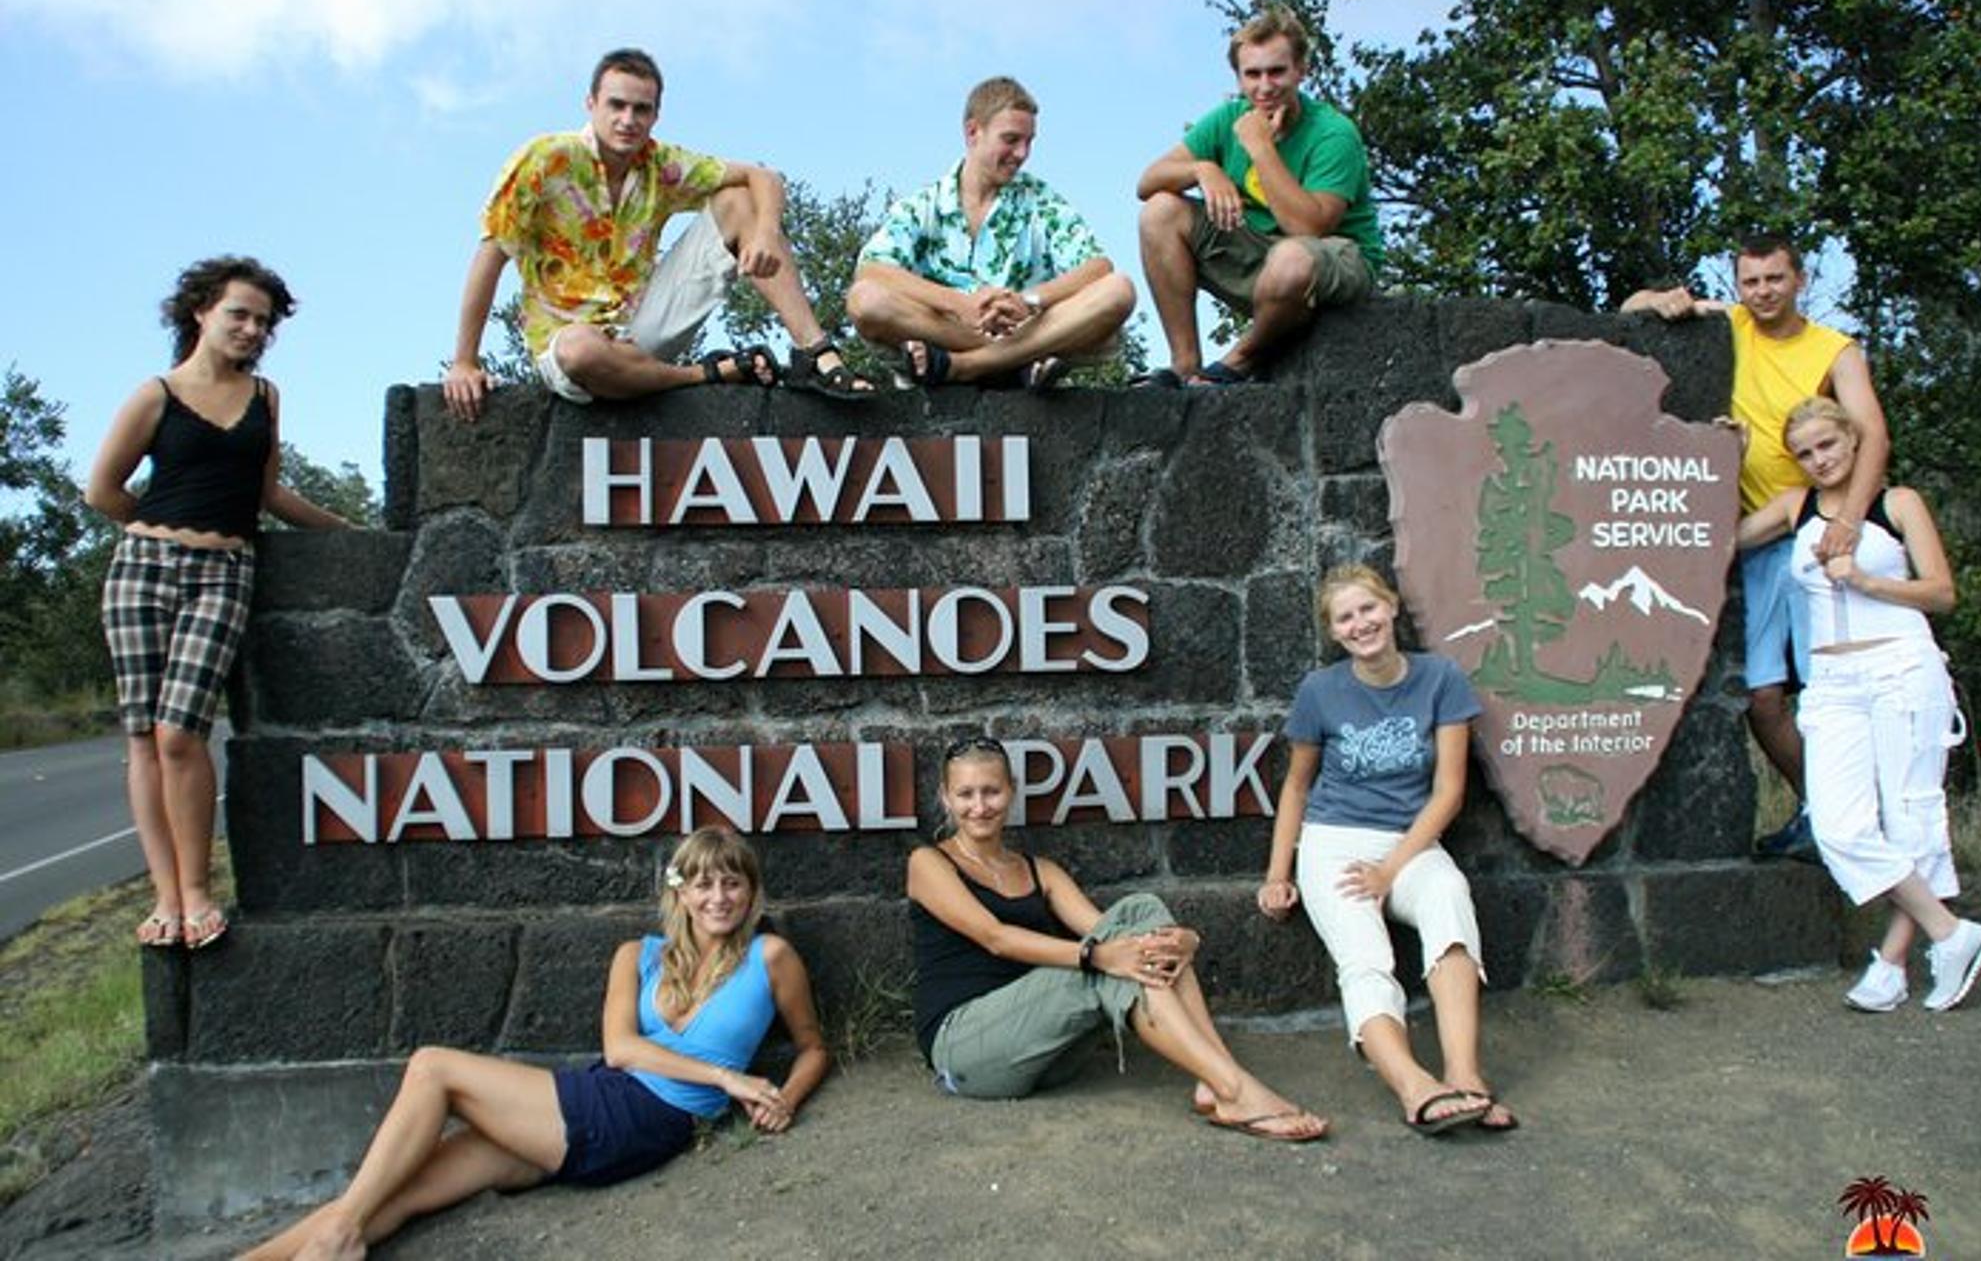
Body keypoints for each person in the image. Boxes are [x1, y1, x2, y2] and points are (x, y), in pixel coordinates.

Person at [244, 830, 828, 1260]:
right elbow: (620, 1048)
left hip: (645, 1119)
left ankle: (340, 1234)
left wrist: (784, 1098)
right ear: (681, 895)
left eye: (733, 883)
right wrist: (729, 1079)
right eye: (703, 883)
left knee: (432, 1068)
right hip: (599, 1097)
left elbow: (812, 1048)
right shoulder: (638, 955)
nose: (718, 897)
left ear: (751, 895)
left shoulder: (770, 959)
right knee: (396, 1193)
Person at [85, 256, 354, 952]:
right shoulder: (157, 394)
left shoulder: (264, 398)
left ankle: (200, 886)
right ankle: (167, 896)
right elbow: (103, 489)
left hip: (225, 568)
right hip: (143, 566)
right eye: (239, 313)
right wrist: (161, 526)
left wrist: (351, 535)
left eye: (263, 321)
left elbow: (270, 496)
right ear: (202, 311)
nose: (252, 328)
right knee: (143, 735)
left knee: (183, 730)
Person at [907, 739, 1327, 1141]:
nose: (979, 806)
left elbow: (1114, 932)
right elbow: (996, 938)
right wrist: (1098, 956)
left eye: (991, 791)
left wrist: (1187, 939)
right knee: (1104, 963)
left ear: (1011, 792)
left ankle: (1213, 1080)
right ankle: (1234, 1090)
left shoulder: (1039, 870)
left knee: (1140, 911)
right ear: (946, 797)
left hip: (1044, 1052)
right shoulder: (929, 863)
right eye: (966, 794)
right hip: (966, 1049)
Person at [1622, 235, 1890, 862]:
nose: (1763, 292)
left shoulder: (1835, 350)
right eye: (1751, 282)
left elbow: (1872, 432)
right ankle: (1821, 811)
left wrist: (1848, 519)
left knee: (1830, 693)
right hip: (1756, 539)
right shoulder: (1733, 324)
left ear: (1799, 279)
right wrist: (1662, 299)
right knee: (1762, 699)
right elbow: (1633, 309)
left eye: (1775, 279)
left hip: (1813, 528)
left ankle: (1854, 825)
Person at [442, 47, 875, 420]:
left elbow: (764, 176)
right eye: (616, 105)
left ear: (655, 115)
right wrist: (464, 361)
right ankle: (704, 375)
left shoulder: (660, 164)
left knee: (737, 197)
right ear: (590, 104)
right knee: (581, 350)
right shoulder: (546, 160)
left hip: (640, 327)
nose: (627, 120)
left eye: (641, 109)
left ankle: (816, 353)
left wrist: (763, 233)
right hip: (571, 343)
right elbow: (490, 256)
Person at [1737, 398, 1981, 1012]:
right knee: (1837, 826)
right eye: (1804, 453)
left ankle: (1892, 964)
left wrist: (1865, 579)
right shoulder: (1794, 507)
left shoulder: (1897, 503)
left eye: (1827, 446)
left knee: (1912, 820)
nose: (1818, 460)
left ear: (1854, 441)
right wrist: (1733, 455)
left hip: (1900, 666)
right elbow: (1718, 541)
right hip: (1831, 679)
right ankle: (1951, 933)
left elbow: (1941, 592)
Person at [1259, 565, 1517, 1136]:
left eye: (1368, 609)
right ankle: (1413, 1086)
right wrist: (1278, 873)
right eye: (1345, 617)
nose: (1361, 624)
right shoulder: (1320, 692)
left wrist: (1390, 869)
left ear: (1393, 607)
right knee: (1365, 955)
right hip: (1334, 844)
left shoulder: (1440, 680)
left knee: (1449, 897)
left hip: (1410, 839)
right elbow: (1297, 785)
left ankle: (1466, 1076)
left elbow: (1449, 792)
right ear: (1334, 632)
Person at [1135, 6, 1383, 386]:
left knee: (1291, 259)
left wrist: (1260, 146)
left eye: (1277, 71)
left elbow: (1308, 228)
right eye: (1252, 74)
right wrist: (1203, 170)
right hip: (1259, 258)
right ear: (1238, 78)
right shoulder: (1226, 118)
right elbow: (1147, 182)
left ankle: (1241, 360)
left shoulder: (1333, 133)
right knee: (1160, 212)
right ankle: (1184, 363)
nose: (1264, 87)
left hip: (1330, 260)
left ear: (1301, 70)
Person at [846, 76, 1135, 389]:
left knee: (1118, 290)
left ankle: (969, 365)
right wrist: (958, 304)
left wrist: (1029, 302)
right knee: (864, 299)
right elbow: (872, 269)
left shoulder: (1040, 199)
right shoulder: (925, 203)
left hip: (1015, 332)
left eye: (1029, 142)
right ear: (973, 132)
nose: (1022, 153)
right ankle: (1014, 359)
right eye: (1011, 140)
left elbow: (1097, 267)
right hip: (963, 334)